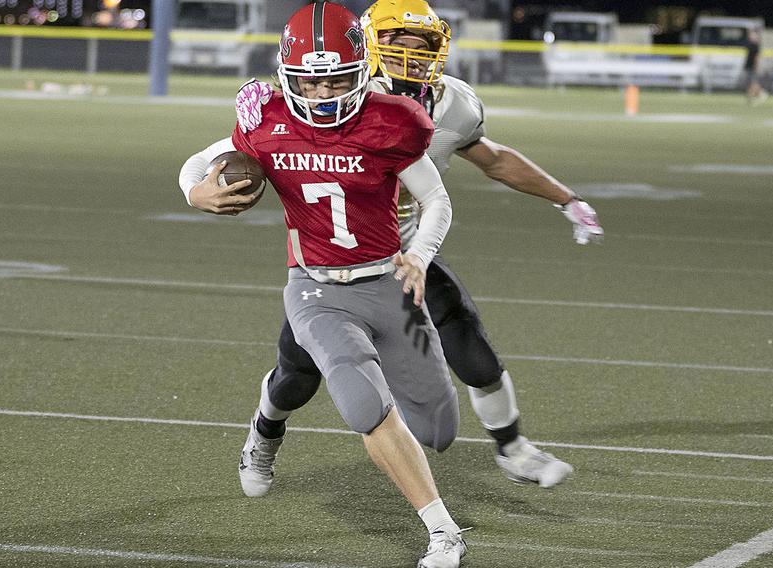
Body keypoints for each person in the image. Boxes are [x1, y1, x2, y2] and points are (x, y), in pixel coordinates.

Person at [207, 0, 603, 494]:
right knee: (297, 376)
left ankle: (514, 448)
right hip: (330, 264)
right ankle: (265, 432)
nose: (412, 58)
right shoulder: (334, 93)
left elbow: (494, 159)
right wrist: (250, 98)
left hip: (407, 257)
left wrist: (567, 200)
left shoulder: (448, 103)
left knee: (470, 346)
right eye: (398, 45)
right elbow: (285, 92)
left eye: (423, 47)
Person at [179, 3, 466, 566]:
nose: (326, 95)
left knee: (439, 427)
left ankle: (421, 481)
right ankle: (442, 530)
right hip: (315, 287)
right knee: (362, 401)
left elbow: (435, 198)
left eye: (338, 79)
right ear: (289, 77)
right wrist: (195, 192)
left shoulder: (393, 120)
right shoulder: (265, 119)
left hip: (388, 279)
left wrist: (420, 254)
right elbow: (198, 162)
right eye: (312, 81)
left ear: (363, 69)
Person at [744, 28, 768, 105]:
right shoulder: (750, 45)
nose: (750, 36)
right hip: (749, 66)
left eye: (752, 35)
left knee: (752, 83)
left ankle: (761, 94)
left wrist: (756, 67)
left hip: (752, 67)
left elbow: (757, 58)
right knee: (750, 84)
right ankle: (751, 99)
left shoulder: (756, 45)